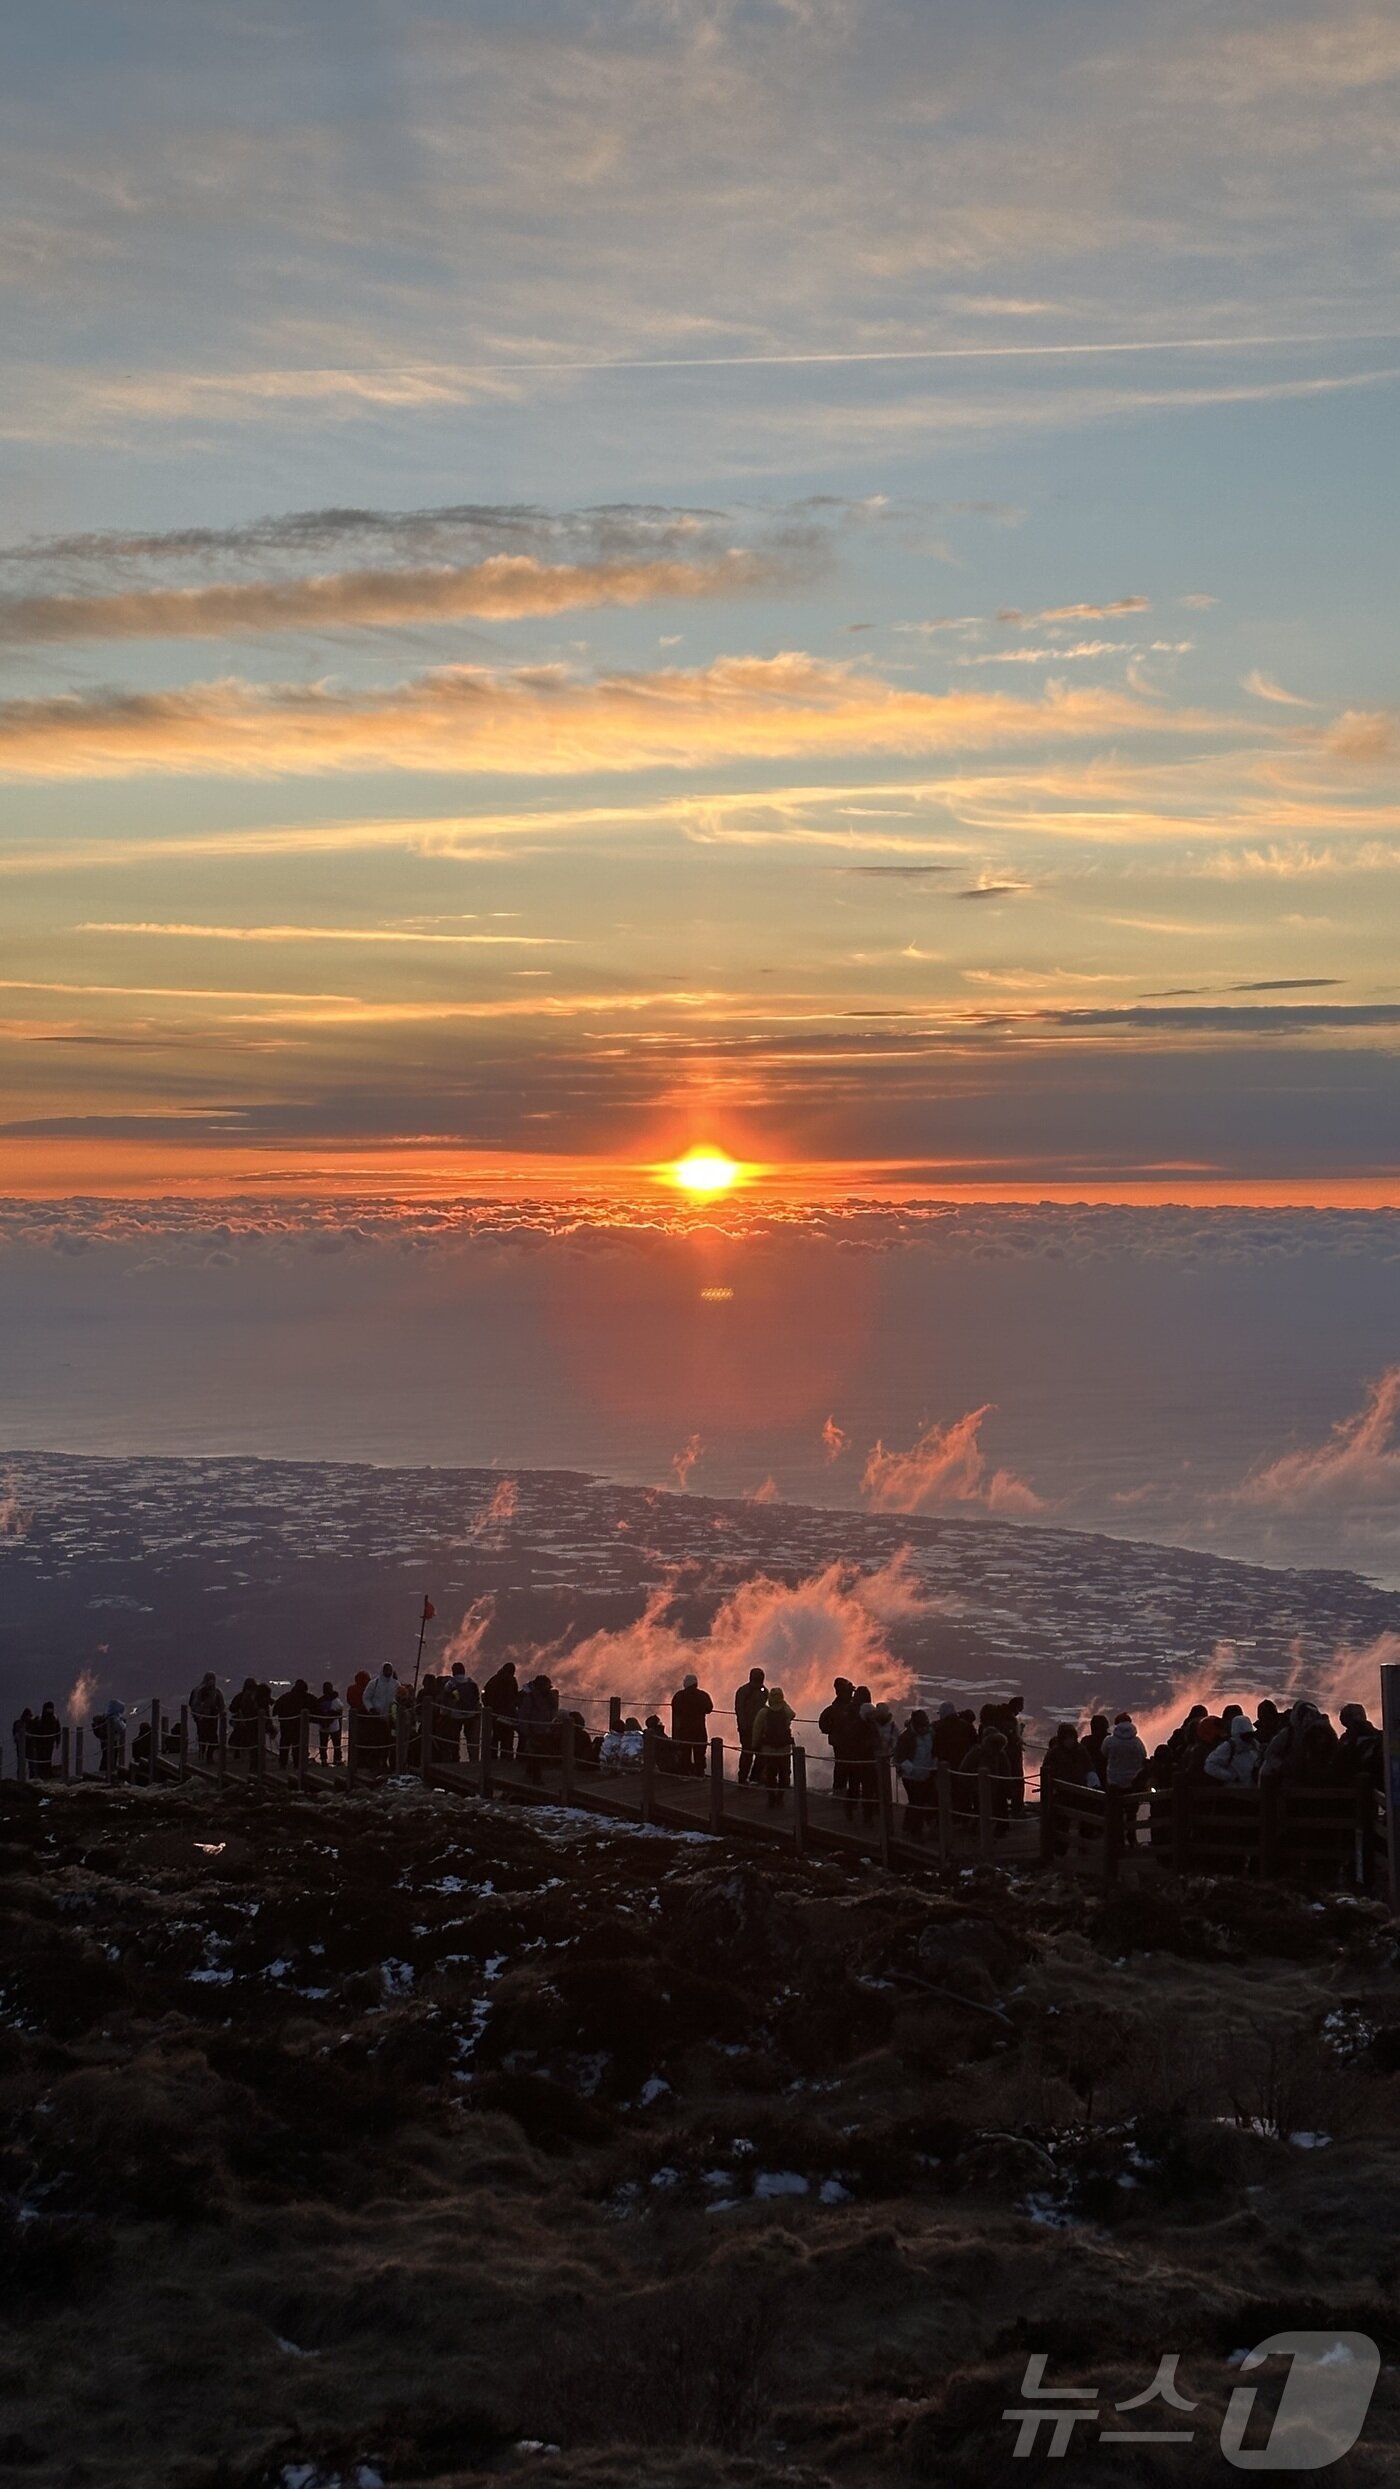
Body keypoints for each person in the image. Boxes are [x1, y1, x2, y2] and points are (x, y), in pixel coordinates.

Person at [1102, 1711, 1149, 1846]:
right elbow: (1143, 1755)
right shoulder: (1137, 1742)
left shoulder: (1110, 1741)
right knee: (1131, 1812)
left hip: (1114, 1781)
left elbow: (1103, 1752)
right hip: (1132, 1782)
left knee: (1115, 1812)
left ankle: (1117, 1840)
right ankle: (1132, 1838)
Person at [894, 1708, 936, 1836]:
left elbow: (935, 1750)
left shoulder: (931, 1734)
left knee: (920, 1801)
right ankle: (916, 1832)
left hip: (927, 1773)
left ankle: (909, 1825)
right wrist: (910, 1768)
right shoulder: (905, 1737)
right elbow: (899, 1756)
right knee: (917, 1801)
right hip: (910, 1776)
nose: (924, 1729)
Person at [751, 1685, 795, 1806]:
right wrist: (783, 1703)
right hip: (784, 1749)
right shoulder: (785, 1711)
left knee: (770, 1775)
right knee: (783, 1774)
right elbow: (792, 1714)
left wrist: (754, 1745)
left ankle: (771, 1797)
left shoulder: (763, 1712)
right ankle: (780, 1798)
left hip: (768, 1749)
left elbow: (757, 1730)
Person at [819, 1679, 860, 1805]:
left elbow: (823, 1724)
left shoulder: (833, 1709)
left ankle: (848, 1797)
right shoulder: (837, 1709)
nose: (851, 1694)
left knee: (848, 1771)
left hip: (848, 1744)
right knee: (844, 1770)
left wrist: (831, 1730)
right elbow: (823, 1725)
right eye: (849, 1691)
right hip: (844, 1745)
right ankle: (844, 1797)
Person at [517, 1673, 559, 1783]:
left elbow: (552, 1711)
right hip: (534, 1729)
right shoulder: (530, 1698)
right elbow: (524, 1714)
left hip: (543, 1729)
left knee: (536, 1753)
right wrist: (525, 1730)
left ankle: (531, 1772)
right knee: (536, 1753)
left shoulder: (547, 1697)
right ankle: (537, 1778)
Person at [670, 1673, 713, 1776]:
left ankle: (685, 1773)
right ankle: (700, 1773)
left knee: (685, 1752)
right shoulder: (703, 1695)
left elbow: (676, 1710)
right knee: (700, 1752)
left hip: (684, 1729)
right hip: (699, 1729)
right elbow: (709, 1709)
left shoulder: (679, 1696)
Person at [1204, 1713, 1261, 1786]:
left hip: (1253, 1790)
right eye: (1245, 1735)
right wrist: (1231, 1777)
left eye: (1250, 1735)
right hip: (1234, 1792)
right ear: (1237, 1734)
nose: (1249, 1738)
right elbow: (1210, 1765)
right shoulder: (1229, 1746)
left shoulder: (1255, 1746)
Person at [1337, 1702, 1383, 1788]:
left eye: (1359, 1714)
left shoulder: (1380, 1737)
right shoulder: (1344, 1741)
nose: (1357, 1718)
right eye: (1354, 1715)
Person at [734, 1667, 766, 1786]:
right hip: (747, 1728)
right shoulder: (744, 1691)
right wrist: (742, 1725)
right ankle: (743, 1778)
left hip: (759, 1728)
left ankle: (755, 1777)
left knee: (760, 1754)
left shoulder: (763, 1691)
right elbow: (739, 1709)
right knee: (747, 1753)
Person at [483, 1659, 519, 1760]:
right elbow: (514, 1696)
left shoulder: (493, 1680)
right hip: (507, 1714)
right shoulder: (512, 1681)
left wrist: (489, 1707)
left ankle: (491, 1758)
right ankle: (506, 1758)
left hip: (494, 1713)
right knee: (507, 1738)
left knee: (494, 1737)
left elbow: (485, 1695)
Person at [274, 1678, 311, 1769]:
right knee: (297, 1746)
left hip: (285, 1725)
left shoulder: (284, 1697)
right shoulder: (306, 1698)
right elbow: (317, 1708)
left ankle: (283, 1764)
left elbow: (275, 1711)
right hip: (298, 1726)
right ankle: (296, 1765)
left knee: (284, 1745)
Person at [188, 1673, 225, 1764]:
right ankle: (202, 1752)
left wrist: (218, 1712)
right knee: (202, 1736)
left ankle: (209, 1756)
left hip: (213, 1718)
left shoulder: (217, 1692)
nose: (211, 1681)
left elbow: (222, 1705)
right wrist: (198, 1715)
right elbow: (193, 1704)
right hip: (202, 1718)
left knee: (212, 1738)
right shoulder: (199, 1691)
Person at [312, 1679, 343, 1766]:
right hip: (334, 1726)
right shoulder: (336, 1700)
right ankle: (337, 1760)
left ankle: (324, 1760)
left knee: (323, 1744)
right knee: (336, 1744)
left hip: (323, 1726)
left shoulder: (320, 1701)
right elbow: (340, 1707)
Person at [28, 1701, 61, 1778]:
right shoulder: (40, 1719)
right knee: (41, 1758)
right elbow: (34, 1730)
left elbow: (57, 1730)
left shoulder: (54, 1718)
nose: (49, 1710)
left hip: (48, 1742)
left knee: (48, 1758)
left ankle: (46, 1773)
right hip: (41, 1743)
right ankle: (42, 1774)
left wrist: (58, 1741)